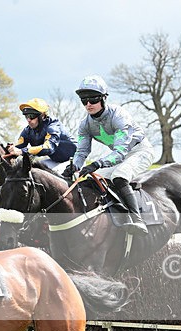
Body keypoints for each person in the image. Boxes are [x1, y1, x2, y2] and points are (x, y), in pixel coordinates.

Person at [63, 75, 154, 235]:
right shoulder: (85, 124)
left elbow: (119, 153)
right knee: (92, 179)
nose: (88, 104)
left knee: (120, 175)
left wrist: (96, 164)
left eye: (93, 99)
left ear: (104, 98)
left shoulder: (119, 115)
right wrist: (74, 166)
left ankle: (137, 219)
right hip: (120, 155)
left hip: (140, 151)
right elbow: (82, 152)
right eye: (84, 100)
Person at [7, 98, 76, 174]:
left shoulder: (53, 125)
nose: (28, 120)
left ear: (42, 116)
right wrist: (10, 149)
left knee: (50, 177)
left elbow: (49, 148)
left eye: (31, 116)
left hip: (74, 160)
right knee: (32, 171)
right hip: (55, 161)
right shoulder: (27, 130)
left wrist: (22, 151)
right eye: (26, 116)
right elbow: (17, 147)